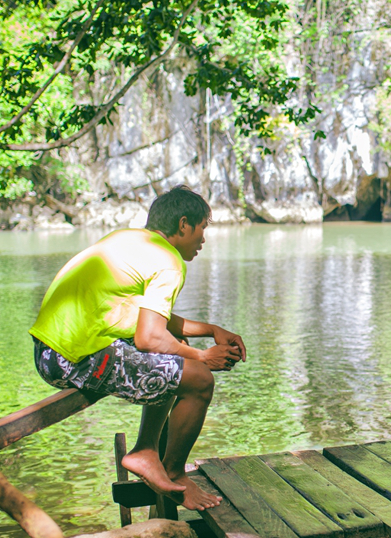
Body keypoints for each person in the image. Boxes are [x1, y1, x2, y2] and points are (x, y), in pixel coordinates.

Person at [29, 186, 245, 510]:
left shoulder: (129, 241)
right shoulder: (169, 261)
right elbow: (150, 339)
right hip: (74, 357)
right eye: (203, 229)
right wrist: (203, 357)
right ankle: (173, 471)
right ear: (184, 224)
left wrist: (211, 331)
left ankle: (146, 451)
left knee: (178, 352)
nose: (203, 240)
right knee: (198, 379)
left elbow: (155, 320)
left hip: (49, 350)